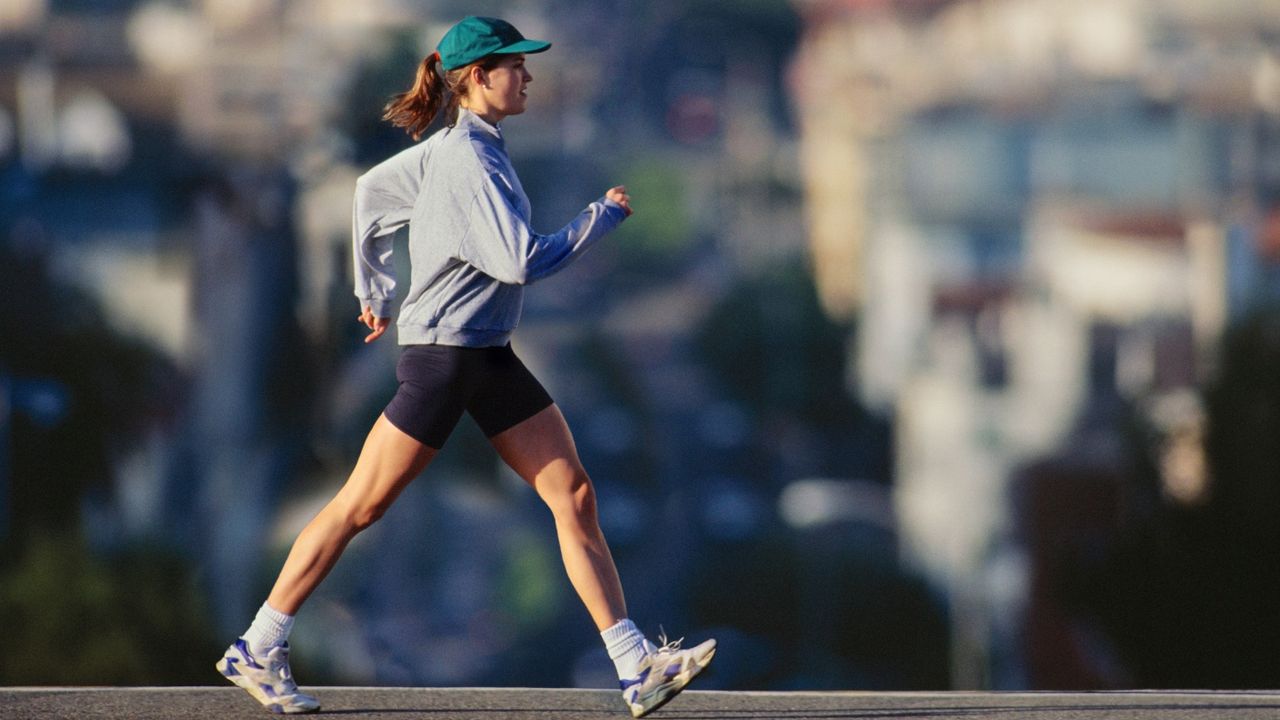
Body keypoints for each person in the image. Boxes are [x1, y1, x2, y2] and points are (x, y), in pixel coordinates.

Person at [215, 15, 715, 718]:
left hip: (487, 355)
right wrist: (598, 218)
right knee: (361, 505)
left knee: (572, 495)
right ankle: (258, 646)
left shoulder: (458, 148)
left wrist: (375, 291)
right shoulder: (467, 161)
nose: (529, 76)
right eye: (517, 65)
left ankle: (637, 667)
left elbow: (368, 194)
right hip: (447, 362)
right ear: (478, 77)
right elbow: (520, 261)